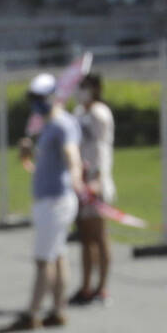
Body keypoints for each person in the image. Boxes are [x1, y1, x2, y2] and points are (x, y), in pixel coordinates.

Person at [11, 73, 79, 332]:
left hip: (55, 201)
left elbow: (71, 154)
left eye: (40, 98)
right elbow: (41, 167)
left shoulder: (62, 125)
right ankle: (58, 309)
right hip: (48, 198)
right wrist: (27, 156)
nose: (36, 104)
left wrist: (76, 176)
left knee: (43, 260)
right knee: (58, 255)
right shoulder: (48, 126)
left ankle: (32, 313)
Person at [70, 70, 116, 307]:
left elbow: (101, 149)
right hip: (80, 180)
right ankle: (86, 285)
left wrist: (96, 178)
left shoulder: (99, 114)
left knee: (99, 235)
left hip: (96, 182)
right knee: (85, 236)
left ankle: (102, 286)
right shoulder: (78, 114)